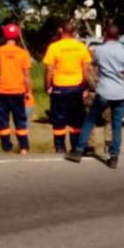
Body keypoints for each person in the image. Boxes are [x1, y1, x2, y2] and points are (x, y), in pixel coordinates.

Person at [65, 24, 124, 169]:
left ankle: (78, 151)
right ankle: (114, 157)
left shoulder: (100, 50)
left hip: (104, 92)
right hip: (120, 92)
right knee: (116, 126)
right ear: (118, 36)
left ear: (105, 35)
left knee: (90, 120)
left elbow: (92, 65)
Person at [42, 21, 91, 153]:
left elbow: (49, 70)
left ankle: (60, 147)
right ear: (74, 32)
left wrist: (47, 86)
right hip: (76, 87)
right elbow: (86, 70)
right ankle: (75, 146)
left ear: (60, 30)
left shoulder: (54, 47)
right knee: (76, 118)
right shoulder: (81, 47)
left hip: (59, 87)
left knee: (59, 118)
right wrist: (85, 86)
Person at [0, 23, 32, 154]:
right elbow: (27, 76)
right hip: (18, 91)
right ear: (17, 36)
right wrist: (29, 92)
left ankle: (6, 147)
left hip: (0, 91)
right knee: (20, 119)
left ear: (4, 35)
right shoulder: (23, 53)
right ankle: (23, 147)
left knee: (2, 120)